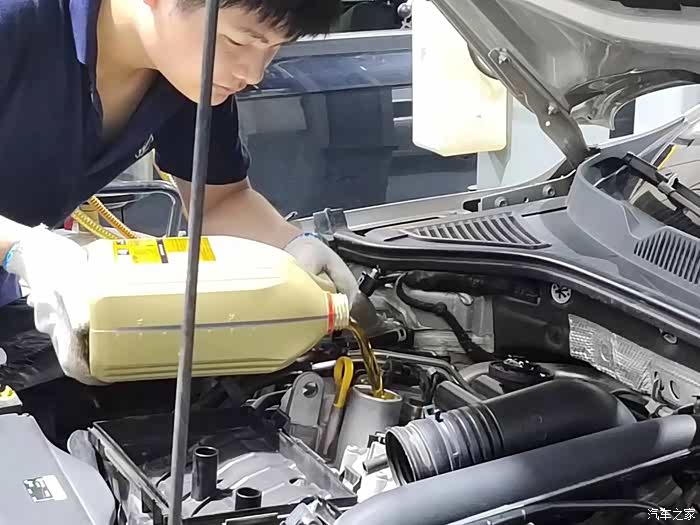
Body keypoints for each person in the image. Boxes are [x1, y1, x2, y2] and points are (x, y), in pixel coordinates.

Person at [0, 0, 359, 387]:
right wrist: (24, 250)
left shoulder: (185, 75)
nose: (253, 73)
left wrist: (293, 245)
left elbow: (221, 200)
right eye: (238, 42)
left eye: (274, 48)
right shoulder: (15, 21)